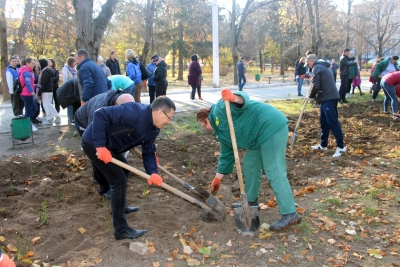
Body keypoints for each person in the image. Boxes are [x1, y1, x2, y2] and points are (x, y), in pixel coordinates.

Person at [196, 89, 300, 231]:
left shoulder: (220, 109)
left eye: (204, 125)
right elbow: (227, 155)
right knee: (250, 164)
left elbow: (242, 101)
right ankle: (250, 203)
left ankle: (290, 213)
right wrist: (217, 178)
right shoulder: (222, 134)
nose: (206, 129)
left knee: (274, 170)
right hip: (257, 137)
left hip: (270, 126)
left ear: (206, 118)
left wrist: (234, 97)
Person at [81, 96, 176, 240]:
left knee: (125, 171)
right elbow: (100, 114)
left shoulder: (154, 130)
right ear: (159, 111)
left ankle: (119, 206)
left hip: (112, 147)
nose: (169, 122)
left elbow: (148, 152)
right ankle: (121, 230)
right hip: (93, 142)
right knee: (118, 182)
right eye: (169, 118)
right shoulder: (134, 111)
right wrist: (100, 146)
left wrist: (153, 173)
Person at [304, 54, 346, 157]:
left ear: (312, 61)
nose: (308, 66)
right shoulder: (323, 67)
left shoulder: (317, 67)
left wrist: (310, 96)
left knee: (332, 122)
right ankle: (323, 145)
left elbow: (316, 85)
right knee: (324, 122)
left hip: (329, 98)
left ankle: (341, 147)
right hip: (326, 98)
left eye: (308, 63)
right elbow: (318, 82)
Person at [38, 59, 61, 125]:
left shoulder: (45, 72)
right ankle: (50, 117)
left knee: (47, 104)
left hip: (46, 90)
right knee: (47, 104)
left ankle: (54, 117)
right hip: (48, 90)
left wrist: (40, 91)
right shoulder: (47, 71)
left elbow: (44, 83)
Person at [18, 58, 39, 132]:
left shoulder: (26, 71)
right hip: (27, 94)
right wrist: (33, 94)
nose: (34, 65)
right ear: (27, 63)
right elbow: (28, 84)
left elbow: (28, 83)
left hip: (26, 93)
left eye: (34, 63)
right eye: (32, 63)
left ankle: (28, 122)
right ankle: (27, 125)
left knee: (34, 108)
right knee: (29, 110)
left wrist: (35, 85)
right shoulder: (27, 72)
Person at [62, 57, 78, 124]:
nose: (75, 64)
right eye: (74, 62)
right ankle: (70, 120)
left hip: (74, 89)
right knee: (70, 106)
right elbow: (65, 79)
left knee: (75, 105)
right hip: (68, 89)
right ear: (71, 62)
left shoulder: (74, 69)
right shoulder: (65, 69)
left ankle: (74, 119)